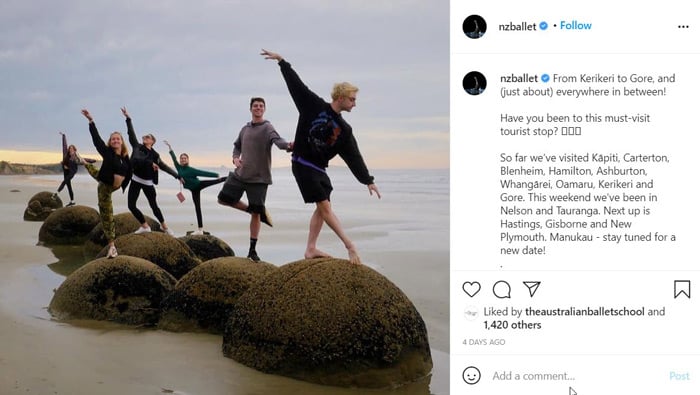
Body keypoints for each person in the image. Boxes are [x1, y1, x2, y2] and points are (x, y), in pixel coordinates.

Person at [261, 49, 381, 265]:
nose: (355, 103)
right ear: (341, 97)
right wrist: (282, 62)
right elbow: (297, 86)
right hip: (302, 163)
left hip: (319, 169)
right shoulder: (313, 105)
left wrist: (368, 180)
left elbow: (354, 156)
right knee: (325, 208)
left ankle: (311, 248)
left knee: (323, 208)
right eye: (352, 99)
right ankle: (350, 246)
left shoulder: (344, 130)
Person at [217, 97, 292, 262]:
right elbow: (237, 146)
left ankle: (252, 250)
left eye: (261, 106)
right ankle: (254, 210)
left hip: (259, 178)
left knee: (257, 213)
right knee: (223, 199)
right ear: (250, 109)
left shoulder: (267, 127)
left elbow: (278, 142)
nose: (258, 108)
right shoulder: (245, 129)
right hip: (240, 174)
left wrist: (289, 146)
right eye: (255, 106)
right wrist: (235, 158)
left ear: (264, 109)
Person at [121, 107, 182, 236]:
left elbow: (164, 166)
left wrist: (177, 176)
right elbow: (131, 134)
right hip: (135, 180)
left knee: (154, 206)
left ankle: (165, 227)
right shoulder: (138, 147)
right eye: (144, 136)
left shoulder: (155, 155)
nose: (145, 137)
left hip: (148, 183)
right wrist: (128, 118)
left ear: (152, 141)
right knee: (131, 205)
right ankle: (144, 226)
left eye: (148, 137)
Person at [80, 109, 132, 259]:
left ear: (122, 142)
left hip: (113, 185)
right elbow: (97, 140)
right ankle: (112, 246)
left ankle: (84, 162)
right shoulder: (108, 152)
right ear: (110, 142)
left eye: (118, 139)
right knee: (107, 215)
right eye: (113, 139)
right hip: (105, 187)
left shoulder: (125, 158)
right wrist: (91, 121)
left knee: (98, 174)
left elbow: (131, 171)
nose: (115, 140)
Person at [162, 139, 226, 235]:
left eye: (185, 158)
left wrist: (215, 174)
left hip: (199, 185)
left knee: (217, 181)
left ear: (188, 160)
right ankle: (200, 230)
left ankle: (232, 177)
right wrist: (170, 148)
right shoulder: (178, 167)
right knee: (197, 208)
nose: (183, 159)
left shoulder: (191, 169)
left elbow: (202, 172)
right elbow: (173, 159)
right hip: (193, 190)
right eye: (182, 158)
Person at [54, 131, 95, 206]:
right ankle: (72, 201)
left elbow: (84, 160)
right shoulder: (66, 155)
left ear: (74, 150)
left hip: (72, 172)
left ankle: (56, 194)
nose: (71, 150)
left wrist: (93, 160)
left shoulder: (76, 158)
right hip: (66, 172)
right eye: (70, 149)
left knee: (65, 181)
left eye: (72, 149)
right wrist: (63, 136)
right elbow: (64, 145)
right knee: (69, 187)